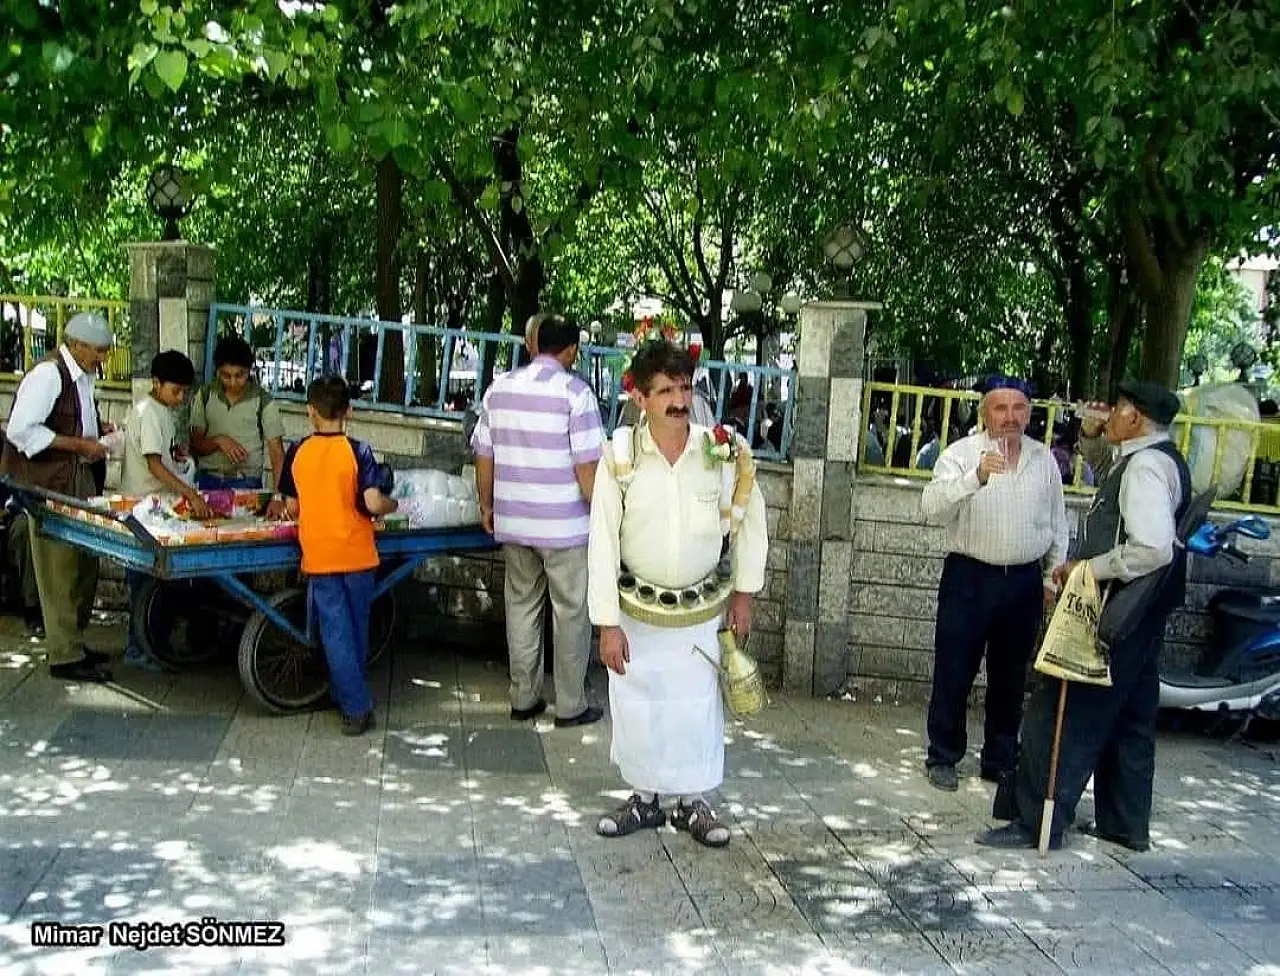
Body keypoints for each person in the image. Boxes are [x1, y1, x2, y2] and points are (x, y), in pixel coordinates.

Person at [979, 380, 1188, 852]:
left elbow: (1152, 546)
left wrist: (1088, 567)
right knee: (1131, 717)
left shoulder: (1146, 468)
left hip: (1118, 605)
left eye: (1116, 411)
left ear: (1134, 417)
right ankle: (1124, 822)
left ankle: (1037, 820)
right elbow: (1114, 491)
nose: (1108, 415)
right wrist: (1095, 437)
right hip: (1144, 613)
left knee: (1061, 708)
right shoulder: (1156, 458)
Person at [588, 339, 768, 849]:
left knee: (695, 705)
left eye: (685, 387)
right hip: (637, 611)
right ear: (640, 397)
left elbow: (750, 521)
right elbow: (601, 539)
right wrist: (607, 623)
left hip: (701, 609)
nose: (678, 400)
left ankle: (692, 803)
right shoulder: (619, 455)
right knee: (638, 703)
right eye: (665, 389)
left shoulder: (723, 450)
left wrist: (745, 594)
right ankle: (643, 799)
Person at [920, 376, 1068, 791]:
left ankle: (1000, 758)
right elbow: (931, 509)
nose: (1010, 418)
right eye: (1000, 408)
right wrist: (975, 478)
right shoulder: (960, 454)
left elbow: (1058, 524)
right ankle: (944, 755)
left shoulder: (1044, 460)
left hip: (1022, 581)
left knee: (1011, 676)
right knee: (954, 669)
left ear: (1029, 413)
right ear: (985, 412)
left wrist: (1050, 580)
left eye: (1018, 408)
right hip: (969, 577)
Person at [470, 314, 605, 728]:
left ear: (533, 344)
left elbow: (483, 454)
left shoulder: (500, 389)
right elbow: (588, 468)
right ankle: (570, 704)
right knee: (570, 613)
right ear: (570, 351)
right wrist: (601, 513)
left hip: (514, 522)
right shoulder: (576, 394)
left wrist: (487, 505)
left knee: (522, 607)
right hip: (565, 528)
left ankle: (523, 698)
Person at [277, 376, 398, 736]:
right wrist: (393, 504)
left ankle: (354, 704)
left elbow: (292, 506)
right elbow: (374, 502)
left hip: (320, 553)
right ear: (350, 411)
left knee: (335, 631)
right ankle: (353, 698)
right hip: (358, 554)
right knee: (356, 629)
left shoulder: (298, 451)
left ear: (310, 412)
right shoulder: (358, 451)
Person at [0, 312, 115, 682]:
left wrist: (99, 432)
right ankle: (64, 653)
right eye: (98, 351)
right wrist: (80, 443)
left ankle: (75, 642)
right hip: (50, 482)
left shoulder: (82, 376)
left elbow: (72, 420)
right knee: (58, 568)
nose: (102, 358)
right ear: (77, 344)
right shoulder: (49, 374)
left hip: (78, 477)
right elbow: (21, 431)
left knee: (83, 565)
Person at [118, 350, 212, 670]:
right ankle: (138, 648)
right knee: (144, 584)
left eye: (185, 392)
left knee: (156, 583)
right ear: (156, 383)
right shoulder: (148, 411)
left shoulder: (162, 411)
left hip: (156, 507)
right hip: (143, 508)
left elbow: (164, 455)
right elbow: (154, 465)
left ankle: (151, 644)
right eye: (176, 391)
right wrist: (190, 494)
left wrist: (180, 455)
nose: (181, 397)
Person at [189, 335, 287, 509]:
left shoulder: (264, 401)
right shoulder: (204, 395)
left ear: (249, 370)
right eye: (226, 376)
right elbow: (195, 446)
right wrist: (219, 441)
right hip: (207, 482)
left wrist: (278, 497)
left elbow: (277, 453)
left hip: (247, 484)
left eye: (239, 375)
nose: (233, 382)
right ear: (218, 371)